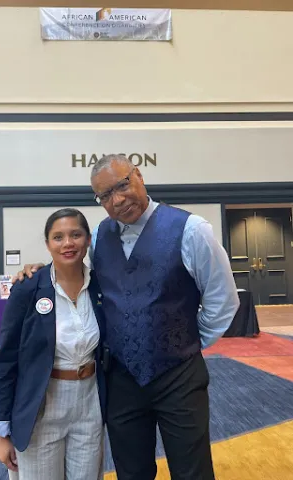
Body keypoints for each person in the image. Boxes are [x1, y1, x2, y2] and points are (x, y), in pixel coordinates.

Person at [16, 154, 240, 480]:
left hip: (179, 376)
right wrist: (39, 271)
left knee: (192, 471)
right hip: (121, 380)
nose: (118, 199)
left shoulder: (191, 230)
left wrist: (186, 340)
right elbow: (76, 274)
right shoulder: (98, 238)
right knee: (131, 472)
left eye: (122, 185)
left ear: (138, 175)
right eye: (105, 195)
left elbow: (223, 301)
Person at [0, 208, 106, 480]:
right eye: (58, 237)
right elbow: (6, 360)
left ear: (88, 240)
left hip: (90, 404)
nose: (68, 243)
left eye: (76, 235)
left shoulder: (101, 286)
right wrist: (0, 432)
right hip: (41, 404)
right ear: (47, 244)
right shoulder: (28, 288)